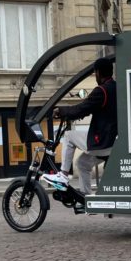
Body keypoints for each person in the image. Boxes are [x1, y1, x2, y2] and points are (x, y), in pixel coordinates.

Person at [43, 57, 117, 194]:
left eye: (95, 73)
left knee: (69, 136)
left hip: (102, 142)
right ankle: (86, 199)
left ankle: (63, 175)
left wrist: (62, 111)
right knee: (82, 164)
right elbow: (90, 109)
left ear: (99, 73)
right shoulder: (117, 88)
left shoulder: (101, 91)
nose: (95, 76)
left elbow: (82, 108)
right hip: (113, 143)